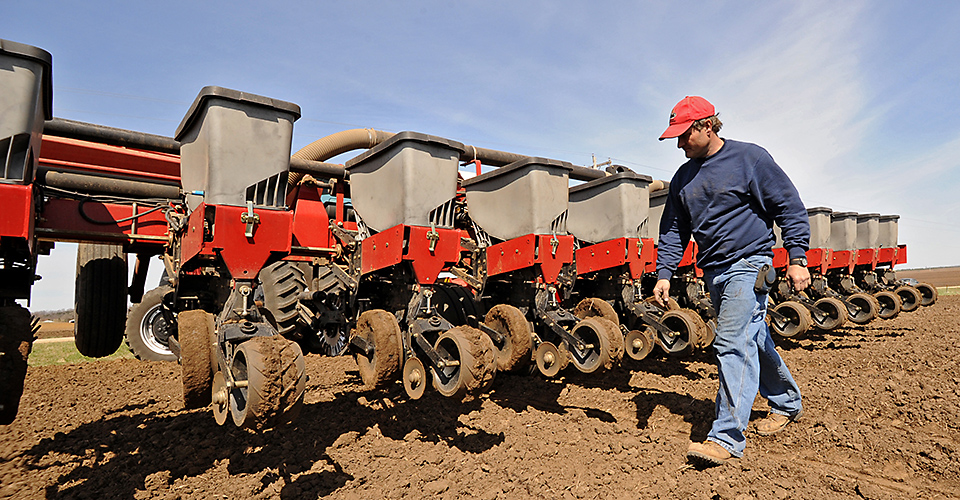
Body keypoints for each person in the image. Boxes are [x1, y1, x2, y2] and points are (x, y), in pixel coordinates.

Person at [652, 96, 810, 466]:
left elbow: (788, 205)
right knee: (753, 337)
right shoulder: (682, 178)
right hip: (714, 271)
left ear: (707, 125)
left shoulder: (749, 159)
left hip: (749, 263)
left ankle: (726, 438)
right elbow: (674, 231)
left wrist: (797, 256)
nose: (678, 144)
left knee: (730, 342)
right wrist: (663, 274)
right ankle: (787, 402)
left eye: (683, 135)